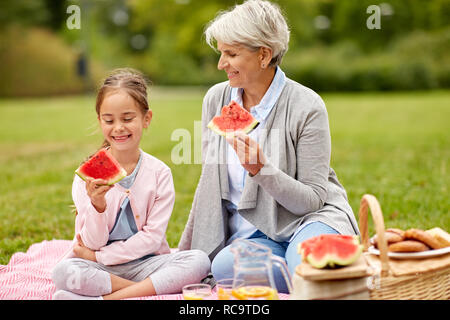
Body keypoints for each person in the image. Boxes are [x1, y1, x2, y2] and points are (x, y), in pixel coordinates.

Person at [178, 0, 360, 293]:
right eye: (221, 52)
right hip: (259, 237)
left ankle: (313, 273)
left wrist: (263, 170)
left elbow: (312, 200)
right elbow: (209, 184)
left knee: (303, 261)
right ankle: (314, 280)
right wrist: (187, 250)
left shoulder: (307, 105)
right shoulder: (216, 99)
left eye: (231, 54)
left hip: (310, 219)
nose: (220, 64)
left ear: (264, 55)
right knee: (224, 267)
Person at [51, 68, 210, 300]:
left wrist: (98, 257)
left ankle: (110, 298)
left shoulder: (160, 173)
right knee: (64, 272)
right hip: (105, 271)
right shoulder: (86, 177)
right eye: (109, 120)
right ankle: (144, 292)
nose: (118, 128)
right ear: (99, 121)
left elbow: (152, 238)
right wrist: (97, 205)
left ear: (146, 119)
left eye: (127, 119)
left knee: (198, 260)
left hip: (146, 263)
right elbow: (92, 243)